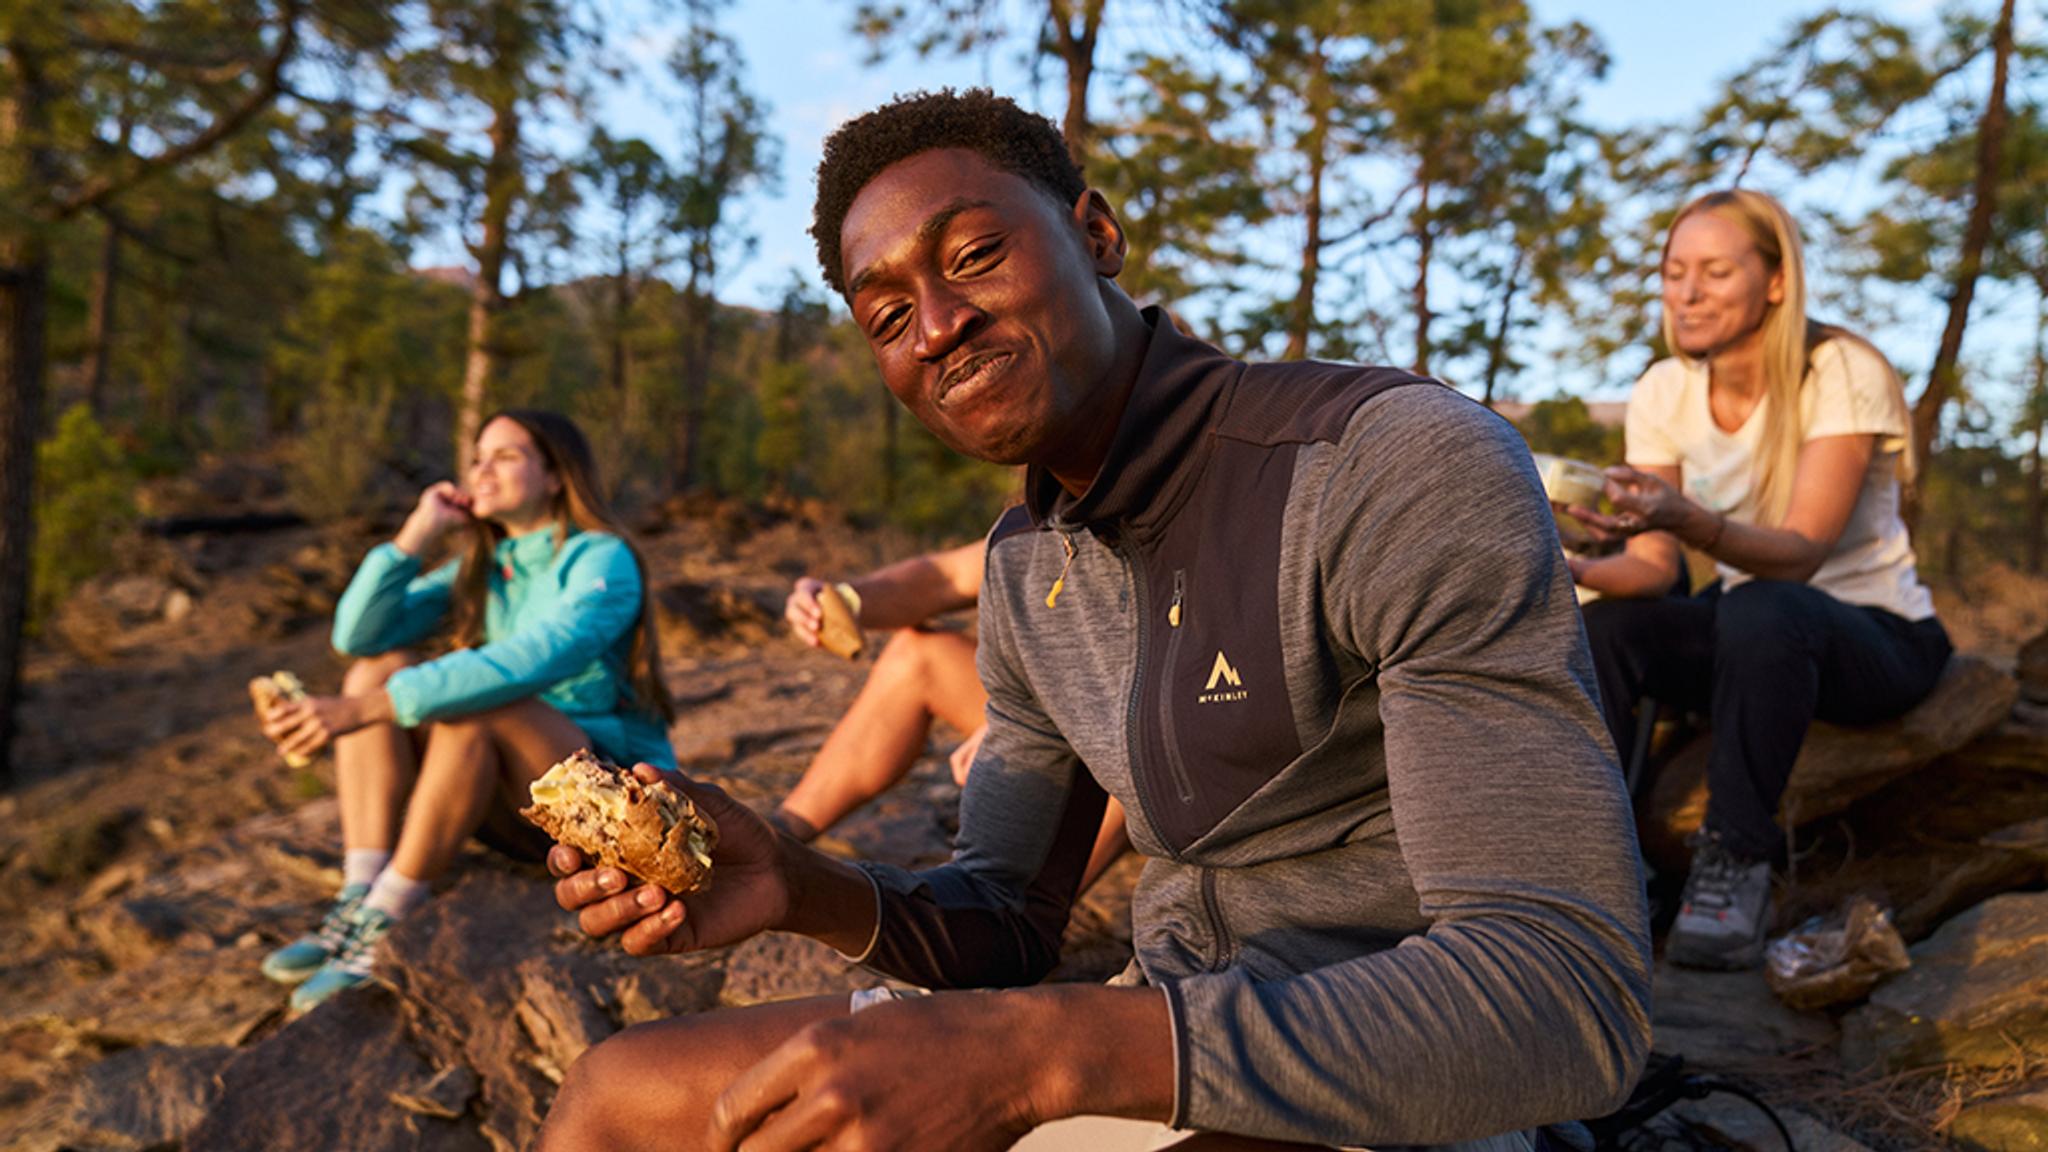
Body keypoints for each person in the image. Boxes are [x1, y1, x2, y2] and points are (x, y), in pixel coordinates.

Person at [537, 89, 1650, 1151]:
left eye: (976, 254)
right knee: (617, 1099)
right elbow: (1007, 918)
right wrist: (795, 881)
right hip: (1147, 1024)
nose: (938, 326)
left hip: (1372, 1081)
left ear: (1097, 233)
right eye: (887, 316)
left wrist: (1034, 1054)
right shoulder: (1024, 568)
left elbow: (1565, 993)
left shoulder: (1384, 463)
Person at [1569, 189, 1952, 970]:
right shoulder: (1663, 389)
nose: (1687, 292)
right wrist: (1566, 564)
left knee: (1767, 605)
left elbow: (1802, 551)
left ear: (1776, 282)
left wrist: (1688, 519)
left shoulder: (1839, 370)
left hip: (1874, 635)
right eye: (1674, 272)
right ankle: (1596, 865)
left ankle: (1734, 862)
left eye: (1715, 272)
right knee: (1607, 627)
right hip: (1752, 628)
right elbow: (1655, 567)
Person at [254, 409, 675, 1014]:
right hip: (516, 805)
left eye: (505, 456)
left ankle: (392, 912)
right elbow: (357, 637)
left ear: (556, 475)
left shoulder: (601, 558)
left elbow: (536, 657)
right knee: (375, 669)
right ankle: (360, 892)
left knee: (476, 703)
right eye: (477, 458)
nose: (482, 470)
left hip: (607, 806)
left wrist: (371, 709)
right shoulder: (484, 568)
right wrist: (416, 535)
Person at [775, 543, 1130, 890]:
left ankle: (1011, 911)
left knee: (1129, 759)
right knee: (919, 657)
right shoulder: (1056, 514)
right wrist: (840, 601)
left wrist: (1035, 715)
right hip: (1069, 703)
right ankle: (774, 843)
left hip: (1135, 726)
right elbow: (946, 578)